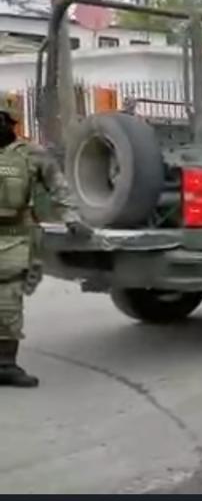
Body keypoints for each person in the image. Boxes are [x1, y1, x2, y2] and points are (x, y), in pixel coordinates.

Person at [0, 109, 92, 388]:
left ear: (11, 123)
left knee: (8, 301)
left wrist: (72, 220)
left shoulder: (31, 154)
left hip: (14, 237)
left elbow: (58, 187)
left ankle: (5, 364)